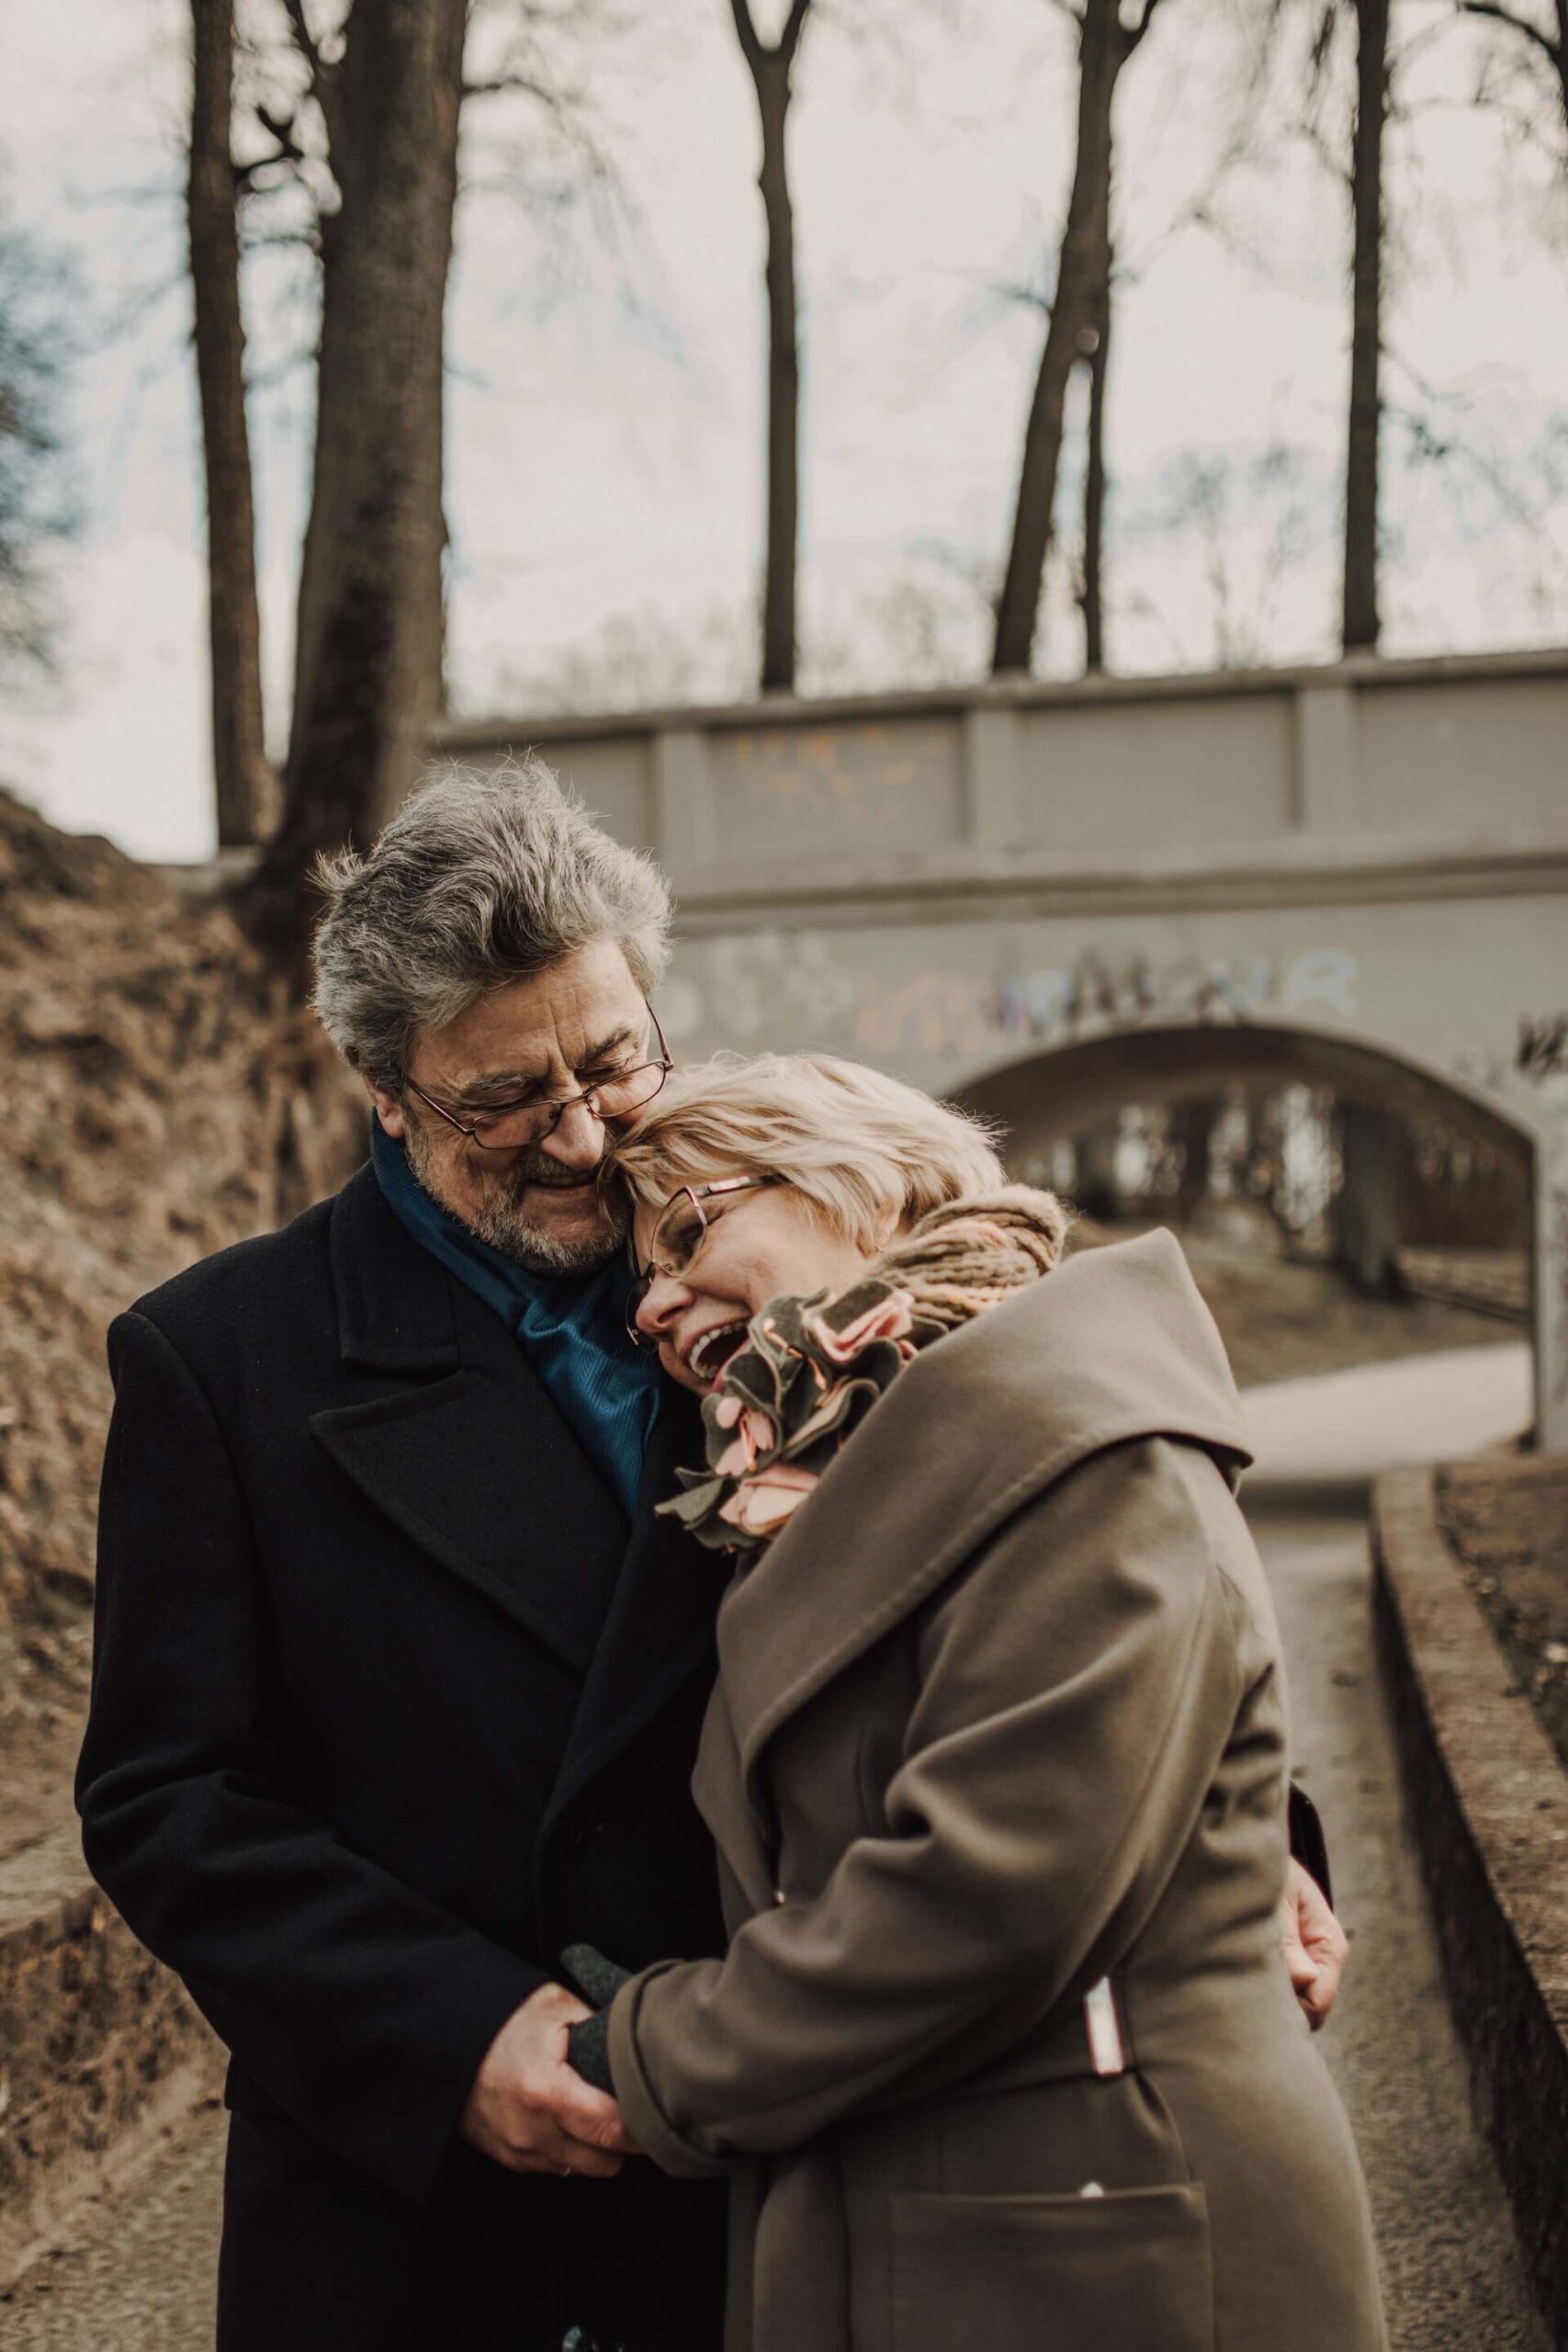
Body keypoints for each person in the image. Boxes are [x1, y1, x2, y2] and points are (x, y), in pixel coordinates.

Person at [77, 762, 1343, 2352]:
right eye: (504, 1103)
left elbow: (1052, 1568)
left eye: (614, 1060)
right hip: (434, 2222)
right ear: (386, 1092)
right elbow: (170, 1796)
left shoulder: (792, 1250)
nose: (586, 1136)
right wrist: (449, 2034)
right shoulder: (223, 1360)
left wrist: (1243, 1842)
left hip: (786, 2160)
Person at [558, 1052, 1387, 2352]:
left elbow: (994, 1893)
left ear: (865, 1186)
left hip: (1112, 2235)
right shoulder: (846, 1468)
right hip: (977, 2211)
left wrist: (653, 2053)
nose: (656, 1304)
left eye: (689, 1230)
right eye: (640, 1289)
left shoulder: (1074, 1442)